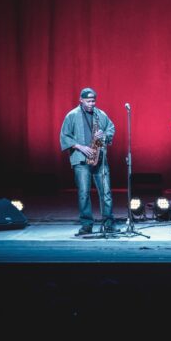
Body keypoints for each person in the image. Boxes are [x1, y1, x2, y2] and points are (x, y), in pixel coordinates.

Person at [59, 87, 116, 235]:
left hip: (100, 159)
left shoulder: (101, 114)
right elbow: (65, 136)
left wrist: (103, 134)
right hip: (81, 159)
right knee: (84, 193)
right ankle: (86, 224)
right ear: (81, 100)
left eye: (93, 101)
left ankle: (108, 223)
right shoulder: (72, 115)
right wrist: (80, 147)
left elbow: (111, 128)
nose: (92, 104)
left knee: (106, 192)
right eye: (88, 101)